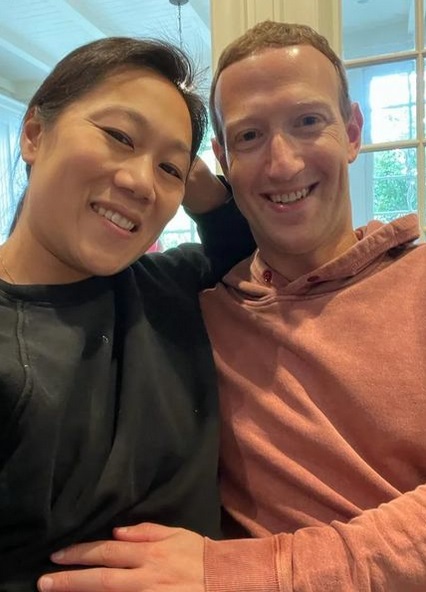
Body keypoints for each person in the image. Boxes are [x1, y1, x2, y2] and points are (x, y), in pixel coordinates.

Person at [37, 20, 426, 592]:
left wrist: (247, 571)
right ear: (222, 158)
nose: (282, 164)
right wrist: (185, 178)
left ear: (351, 131)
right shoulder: (191, 312)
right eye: (249, 136)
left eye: (308, 122)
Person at [0, 35, 256, 591]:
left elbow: (257, 251)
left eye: (169, 168)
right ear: (34, 133)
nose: (140, 182)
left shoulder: (172, 286)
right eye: (119, 136)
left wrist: (203, 189)